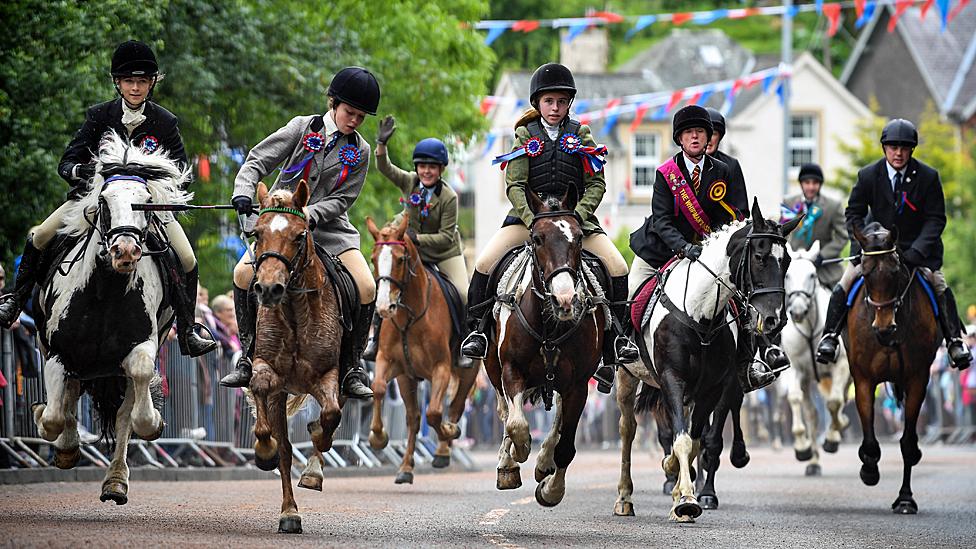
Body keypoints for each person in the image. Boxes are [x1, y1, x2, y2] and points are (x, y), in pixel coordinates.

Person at [0, 40, 214, 357]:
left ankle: (187, 330)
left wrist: (147, 174)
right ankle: (15, 300)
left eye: (142, 81)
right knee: (41, 235)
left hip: (146, 207)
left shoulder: (165, 122)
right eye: (129, 81)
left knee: (187, 258)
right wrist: (88, 171)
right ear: (118, 82)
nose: (136, 87)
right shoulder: (99, 116)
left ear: (152, 82)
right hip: (93, 201)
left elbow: (181, 169)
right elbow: (66, 164)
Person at [459, 62, 638, 393]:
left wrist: (579, 215)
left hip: (574, 222)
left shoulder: (582, 135)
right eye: (549, 101)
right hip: (531, 221)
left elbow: (596, 183)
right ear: (537, 103)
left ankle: (616, 342)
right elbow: (514, 185)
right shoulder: (525, 135)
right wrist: (531, 219)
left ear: (569, 103)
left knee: (617, 265)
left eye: (561, 101)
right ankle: (479, 333)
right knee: (484, 263)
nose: (555, 108)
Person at [219, 67, 381, 399]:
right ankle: (248, 358)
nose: (354, 121)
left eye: (361, 117)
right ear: (333, 103)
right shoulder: (301, 128)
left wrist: (310, 213)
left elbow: (343, 198)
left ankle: (351, 367)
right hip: (280, 226)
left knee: (366, 286)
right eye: (350, 112)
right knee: (240, 274)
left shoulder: (361, 151)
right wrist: (243, 192)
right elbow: (256, 161)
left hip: (329, 232)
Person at [629, 105, 777, 392]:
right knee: (634, 288)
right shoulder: (665, 173)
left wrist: (717, 248)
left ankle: (747, 363)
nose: (695, 137)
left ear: (708, 136)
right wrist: (683, 247)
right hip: (661, 248)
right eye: (688, 133)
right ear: (680, 140)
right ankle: (622, 347)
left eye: (699, 132)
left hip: (706, 253)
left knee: (740, 296)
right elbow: (661, 220)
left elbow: (732, 217)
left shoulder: (723, 171)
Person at [816, 118, 971, 370]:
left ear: (911, 150)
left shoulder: (928, 177)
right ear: (884, 148)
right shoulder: (868, 175)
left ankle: (955, 341)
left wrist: (917, 251)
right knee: (845, 282)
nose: (898, 153)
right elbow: (853, 212)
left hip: (915, 251)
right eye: (892, 147)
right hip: (875, 250)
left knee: (938, 283)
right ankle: (830, 336)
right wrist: (864, 241)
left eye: (904, 148)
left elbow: (936, 219)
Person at [362, 116, 472, 363]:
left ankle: (464, 343)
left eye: (432, 167)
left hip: (444, 252)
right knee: (383, 282)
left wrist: (417, 239)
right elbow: (385, 168)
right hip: (411, 250)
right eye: (422, 166)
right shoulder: (410, 181)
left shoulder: (449, 197)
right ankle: (373, 338)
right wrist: (381, 145)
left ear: (441, 169)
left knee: (464, 293)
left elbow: (445, 237)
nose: (426, 171)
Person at [783, 163, 847, 287]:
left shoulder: (833, 206)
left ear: (820, 184)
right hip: (795, 266)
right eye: (807, 182)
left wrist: (823, 255)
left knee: (839, 299)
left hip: (824, 269)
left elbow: (842, 236)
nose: (811, 187)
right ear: (801, 183)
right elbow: (782, 233)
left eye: (815, 183)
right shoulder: (789, 203)